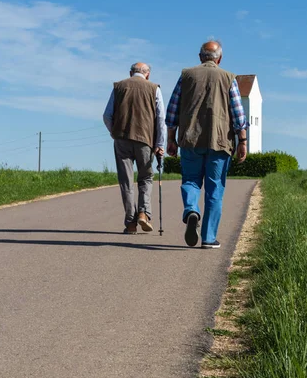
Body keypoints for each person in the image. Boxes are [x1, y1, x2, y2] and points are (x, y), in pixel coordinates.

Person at [166, 41, 248, 249]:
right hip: (219, 141)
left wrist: (170, 138)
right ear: (219, 58)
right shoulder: (229, 78)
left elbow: (172, 109)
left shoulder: (186, 75)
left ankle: (192, 209)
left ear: (200, 56)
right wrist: (243, 141)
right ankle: (208, 238)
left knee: (191, 180)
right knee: (215, 189)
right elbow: (238, 113)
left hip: (190, 139)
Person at [103, 62, 166, 234]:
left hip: (122, 139)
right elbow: (160, 118)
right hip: (145, 139)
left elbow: (107, 115)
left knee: (126, 181)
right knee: (145, 177)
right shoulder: (154, 88)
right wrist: (160, 144)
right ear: (148, 74)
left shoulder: (119, 87)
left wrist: (114, 133)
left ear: (131, 73)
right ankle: (143, 213)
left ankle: (131, 223)